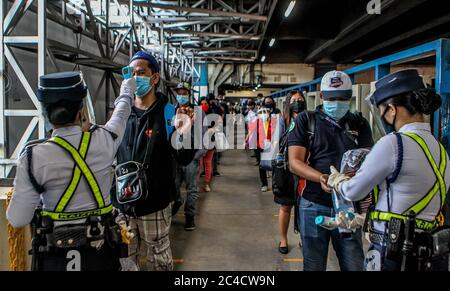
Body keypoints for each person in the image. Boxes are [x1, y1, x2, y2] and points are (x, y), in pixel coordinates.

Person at [6, 71, 135, 271]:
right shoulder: (105, 141)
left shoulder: (32, 158)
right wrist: (127, 88)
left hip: (55, 259)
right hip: (101, 256)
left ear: (45, 112)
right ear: (81, 109)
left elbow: (18, 218)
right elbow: (122, 112)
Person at [326, 69, 450, 271]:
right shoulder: (439, 149)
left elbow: (353, 191)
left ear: (392, 110)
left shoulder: (393, 144)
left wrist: (337, 181)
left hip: (394, 252)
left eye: (382, 109)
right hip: (428, 254)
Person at [112, 51, 195, 271]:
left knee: (159, 259)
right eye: (131, 73)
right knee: (123, 260)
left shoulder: (169, 112)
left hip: (155, 203)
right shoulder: (121, 112)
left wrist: (184, 131)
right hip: (123, 204)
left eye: (141, 73)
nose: (135, 78)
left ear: (154, 77)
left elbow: (184, 157)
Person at [288, 70, 374, 271]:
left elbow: (369, 159)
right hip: (313, 204)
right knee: (314, 264)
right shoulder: (306, 121)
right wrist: (322, 178)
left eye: (342, 98)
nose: (337, 103)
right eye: (331, 98)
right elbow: (294, 162)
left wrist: (353, 178)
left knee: (353, 263)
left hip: (349, 207)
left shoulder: (359, 124)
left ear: (350, 97)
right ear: (321, 96)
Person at [173, 82, 207, 231]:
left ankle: (190, 217)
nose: (181, 95)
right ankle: (176, 203)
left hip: (191, 157)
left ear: (188, 94)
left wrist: (198, 154)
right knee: (173, 187)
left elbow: (205, 134)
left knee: (192, 188)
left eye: (184, 93)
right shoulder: (171, 110)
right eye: (178, 92)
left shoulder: (198, 112)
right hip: (174, 156)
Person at [276, 90, 307, 254]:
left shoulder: (310, 119)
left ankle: (303, 237)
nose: (297, 102)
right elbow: (277, 144)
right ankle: (283, 239)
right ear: (288, 103)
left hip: (305, 169)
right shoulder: (284, 121)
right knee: (286, 206)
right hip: (287, 171)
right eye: (294, 99)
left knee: (304, 206)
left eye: (300, 99)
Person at [256, 96, 282, 192]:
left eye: (270, 102)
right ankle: (264, 184)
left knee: (275, 164)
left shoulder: (277, 111)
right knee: (262, 165)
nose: (268, 103)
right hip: (261, 141)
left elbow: (279, 124)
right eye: (266, 102)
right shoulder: (260, 112)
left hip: (273, 141)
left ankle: (275, 184)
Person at [199, 97, 216, 192]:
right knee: (199, 164)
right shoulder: (196, 114)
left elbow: (217, 126)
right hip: (199, 142)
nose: (204, 105)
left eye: (206, 103)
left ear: (209, 105)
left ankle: (206, 183)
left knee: (207, 163)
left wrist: (212, 130)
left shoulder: (212, 115)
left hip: (210, 141)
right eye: (202, 103)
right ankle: (195, 184)